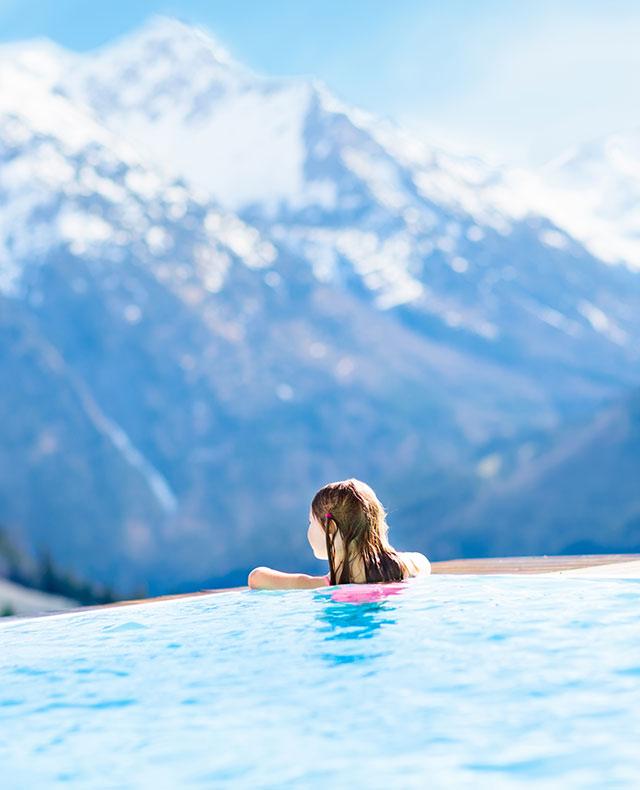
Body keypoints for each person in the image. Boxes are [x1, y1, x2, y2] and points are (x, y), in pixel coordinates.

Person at [247, 478, 430, 590]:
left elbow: (256, 577)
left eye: (311, 522)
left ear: (331, 529)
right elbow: (423, 562)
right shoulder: (401, 568)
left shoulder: (325, 585)